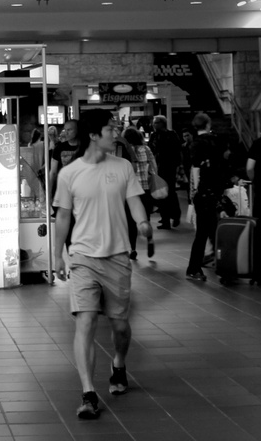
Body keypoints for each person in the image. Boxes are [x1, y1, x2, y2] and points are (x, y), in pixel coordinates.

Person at [51, 108, 151, 420]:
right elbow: (63, 216)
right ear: (93, 135)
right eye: (110, 129)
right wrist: (57, 254)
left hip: (118, 257)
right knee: (86, 321)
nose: (115, 133)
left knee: (120, 325)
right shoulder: (70, 173)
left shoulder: (122, 167)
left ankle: (119, 362)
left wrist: (143, 223)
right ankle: (88, 393)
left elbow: (134, 200)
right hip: (82, 258)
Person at [185, 112, 230, 281]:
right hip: (216, 190)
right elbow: (225, 161)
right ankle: (224, 267)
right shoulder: (217, 141)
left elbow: (195, 168)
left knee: (205, 232)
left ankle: (197, 267)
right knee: (211, 231)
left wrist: (195, 191)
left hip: (203, 192)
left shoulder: (195, 145)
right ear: (208, 125)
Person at [123, 127, 161, 260]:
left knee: (130, 221)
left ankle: (132, 249)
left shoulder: (126, 151)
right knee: (145, 218)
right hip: (145, 188)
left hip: (131, 190)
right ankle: (149, 238)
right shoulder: (146, 149)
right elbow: (154, 167)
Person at [150, 116, 183, 229]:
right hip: (158, 168)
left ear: (162, 123)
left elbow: (177, 151)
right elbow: (151, 150)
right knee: (161, 193)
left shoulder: (171, 135)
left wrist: (178, 166)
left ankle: (175, 215)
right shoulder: (154, 136)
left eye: (156, 123)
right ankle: (165, 220)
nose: (154, 125)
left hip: (169, 167)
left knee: (170, 192)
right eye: (153, 123)